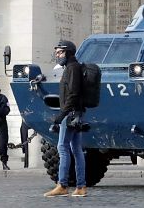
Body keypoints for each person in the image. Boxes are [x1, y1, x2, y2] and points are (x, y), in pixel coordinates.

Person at [44, 40, 87, 198]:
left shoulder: (72, 68)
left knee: (62, 147)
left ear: (68, 52)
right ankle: (80, 186)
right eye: (57, 52)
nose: (57, 55)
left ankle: (62, 185)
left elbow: (73, 93)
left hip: (70, 114)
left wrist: (61, 115)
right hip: (75, 113)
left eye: (60, 52)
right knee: (76, 149)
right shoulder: (72, 67)